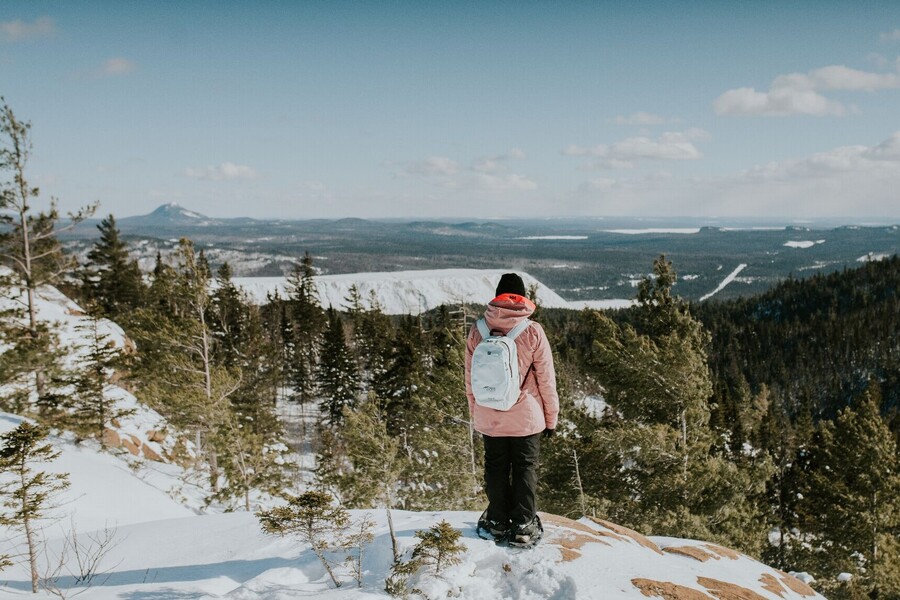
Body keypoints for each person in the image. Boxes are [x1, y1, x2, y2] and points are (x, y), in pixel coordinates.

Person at [465, 273, 559, 544]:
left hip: (489, 414)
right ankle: (523, 525)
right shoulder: (532, 332)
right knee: (524, 467)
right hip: (526, 418)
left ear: (497, 297)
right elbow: (546, 381)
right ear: (522, 298)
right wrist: (551, 419)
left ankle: (496, 521)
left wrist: (477, 414)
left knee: (495, 467)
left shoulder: (478, 330)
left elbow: (469, 379)